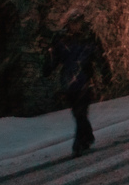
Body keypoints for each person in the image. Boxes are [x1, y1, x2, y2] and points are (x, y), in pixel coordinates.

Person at [44, 10, 109, 156]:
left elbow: (100, 57)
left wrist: (106, 74)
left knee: (80, 112)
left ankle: (79, 143)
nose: (75, 26)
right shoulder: (62, 40)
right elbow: (54, 58)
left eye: (77, 23)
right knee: (78, 113)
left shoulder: (89, 39)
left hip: (85, 82)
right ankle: (87, 136)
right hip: (69, 83)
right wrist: (48, 67)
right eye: (73, 23)